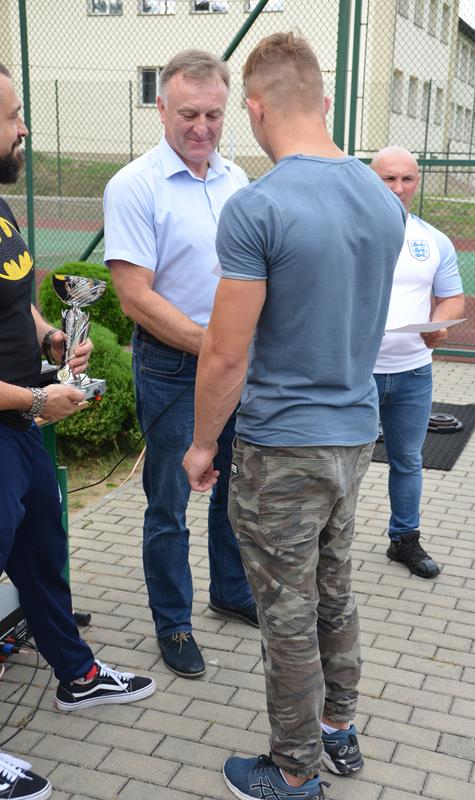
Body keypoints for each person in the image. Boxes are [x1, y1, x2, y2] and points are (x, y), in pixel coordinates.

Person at [183, 32, 405, 800]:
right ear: (324, 101)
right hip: (354, 435)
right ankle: (339, 727)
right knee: (334, 591)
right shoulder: (382, 198)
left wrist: (202, 444)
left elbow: (225, 354)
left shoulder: (259, 206)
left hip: (282, 446)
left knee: (287, 611)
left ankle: (293, 770)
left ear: (253, 109)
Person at [0, 64, 156, 800]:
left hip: (20, 426)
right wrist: (36, 399)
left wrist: (51, 342)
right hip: (11, 420)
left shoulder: (0, 209)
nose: (23, 128)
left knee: (41, 557)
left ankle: (78, 675)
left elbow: (17, 304)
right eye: (12, 116)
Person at [104, 50, 257, 680]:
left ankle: (231, 590)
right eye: (189, 113)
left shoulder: (238, 179)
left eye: (213, 114)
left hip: (234, 363)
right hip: (172, 366)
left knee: (234, 487)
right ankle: (173, 621)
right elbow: (134, 296)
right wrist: (213, 347)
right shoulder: (134, 185)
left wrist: (233, 352)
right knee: (169, 503)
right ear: (162, 109)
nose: (202, 127)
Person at [370, 146, 465, 578]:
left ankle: (404, 540)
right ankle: (330, 544)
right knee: (344, 462)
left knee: (408, 460)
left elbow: (451, 297)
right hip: (357, 374)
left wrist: (439, 324)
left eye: (406, 179)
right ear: (371, 182)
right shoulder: (349, 235)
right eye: (388, 178)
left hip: (413, 371)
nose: (398, 188)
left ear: (417, 182)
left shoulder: (433, 240)